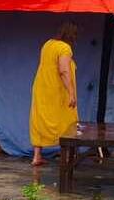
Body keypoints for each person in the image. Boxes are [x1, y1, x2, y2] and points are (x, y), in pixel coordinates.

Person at [28, 22, 78, 166]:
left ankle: (37, 156)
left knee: (39, 119)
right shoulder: (64, 48)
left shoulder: (48, 44)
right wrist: (71, 93)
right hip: (56, 91)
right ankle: (66, 156)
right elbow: (64, 70)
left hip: (41, 87)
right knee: (67, 121)